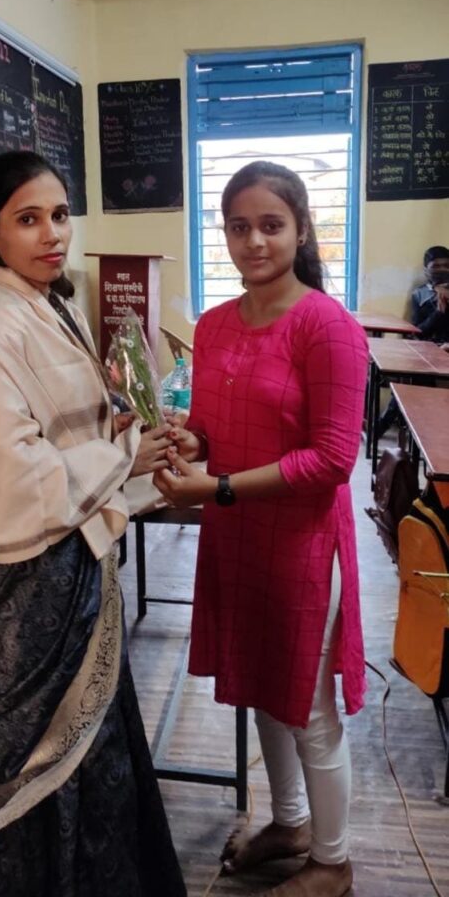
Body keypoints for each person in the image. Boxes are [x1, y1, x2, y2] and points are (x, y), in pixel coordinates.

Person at [0, 151, 186, 897]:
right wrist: (123, 454)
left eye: (58, 215)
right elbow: (17, 476)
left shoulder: (53, 303)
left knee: (100, 743)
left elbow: (69, 427)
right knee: (48, 757)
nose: (52, 234)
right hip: (28, 573)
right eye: (28, 219)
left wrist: (133, 428)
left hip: (76, 551)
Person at [154, 161, 369, 897]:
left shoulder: (327, 326)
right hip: (238, 535)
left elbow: (333, 459)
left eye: (271, 225)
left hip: (301, 543)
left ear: (301, 230)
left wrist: (215, 486)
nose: (254, 242)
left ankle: (333, 862)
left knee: (308, 708)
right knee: (263, 689)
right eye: (239, 227)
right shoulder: (213, 326)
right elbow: (215, 429)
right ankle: (290, 823)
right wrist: (190, 442)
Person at [378, 244, 449, 436]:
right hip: (428, 350)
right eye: (436, 266)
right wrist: (439, 312)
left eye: (446, 265)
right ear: (426, 270)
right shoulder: (420, 294)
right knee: (411, 380)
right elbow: (418, 331)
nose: (442, 270)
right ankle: (384, 428)